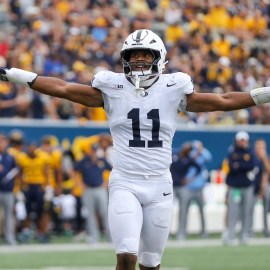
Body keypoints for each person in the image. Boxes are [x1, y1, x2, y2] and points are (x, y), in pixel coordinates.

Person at [0, 28, 269, 269]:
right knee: (126, 256)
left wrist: (266, 93)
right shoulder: (111, 88)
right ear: (125, 59)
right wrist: (13, 74)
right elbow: (63, 88)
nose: (139, 60)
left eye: (145, 54)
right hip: (125, 182)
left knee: (151, 263)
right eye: (134, 55)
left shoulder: (174, 89)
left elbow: (223, 100)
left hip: (160, 185)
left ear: (159, 58)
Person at [73, 143, 112, 243]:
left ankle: (110, 236)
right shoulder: (84, 161)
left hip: (100, 189)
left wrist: (106, 183)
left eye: (95, 150)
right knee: (90, 214)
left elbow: (112, 170)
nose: (94, 153)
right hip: (88, 190)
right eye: (92, 150)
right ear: (90, 151)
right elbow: (74, 171)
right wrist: (80, 184)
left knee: (104, 212)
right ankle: (94, 237)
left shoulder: (102, 160)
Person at [223, 131, 256, 246]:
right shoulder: (232, 151)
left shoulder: (250, 152)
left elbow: (251, 165)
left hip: (247, 186)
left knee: (247, 211)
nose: (242, 142)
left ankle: (244, 235)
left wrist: (239, 164)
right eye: (240, 140)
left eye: (243, 140)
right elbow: (231, 166)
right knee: (233, 211)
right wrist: (242, 165)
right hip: (235, 187)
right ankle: (230, 235)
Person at [170, 142, 201, 240]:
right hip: (170, 186)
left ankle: (181, 233)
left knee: (183, 210)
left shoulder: (188, 159)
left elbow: (199, 168)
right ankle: (167, 234)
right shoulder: (173, 154)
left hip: (182, 186)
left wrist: (189, 179)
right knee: (167, 210)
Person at [0, 132, 18, 246]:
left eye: (3, 141)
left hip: (7, 190)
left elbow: (16, 170)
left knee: (9, 215)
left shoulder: (10, 157)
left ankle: (9, 237)